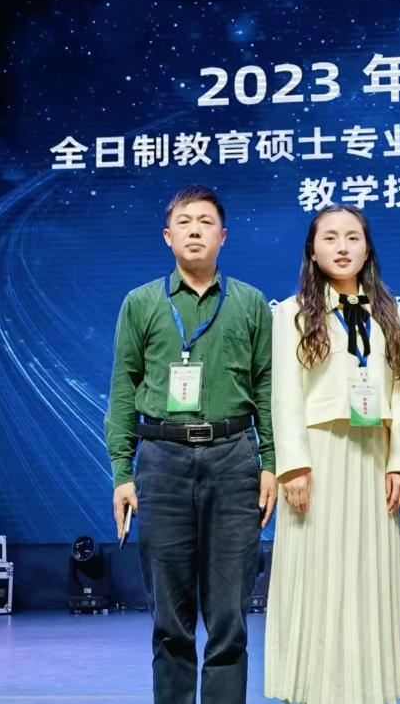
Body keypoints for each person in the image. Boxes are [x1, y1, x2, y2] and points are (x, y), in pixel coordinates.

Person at [105, 185, 277, 704]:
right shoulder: (141, 303)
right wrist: (122, 472)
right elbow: (122, 389)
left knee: (229, 618)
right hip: (161, 461)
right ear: (168, 236)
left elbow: (267, 388)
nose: (195, 230)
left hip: (233, 458)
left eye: (206, 222)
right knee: (169, 620)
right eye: (185, 222)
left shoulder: (250, 302)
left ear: (223, 236)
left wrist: (270, 462)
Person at [264, 205, 400, 704]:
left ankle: (368, 688)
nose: (343, 246)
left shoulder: (389, 312)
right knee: (317, 575)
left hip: (373, 455)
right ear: (312, 250)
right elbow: (285, 395)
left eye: (353, 237)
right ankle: (314, 690)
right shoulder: (291, 313)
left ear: (367, 248)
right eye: (330, 237)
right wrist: (293, 465)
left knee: (370, 576)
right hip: (318, 457)